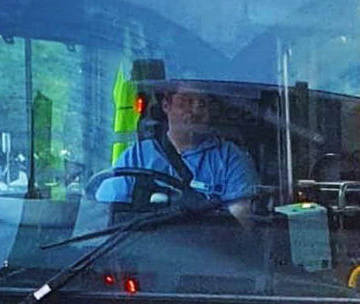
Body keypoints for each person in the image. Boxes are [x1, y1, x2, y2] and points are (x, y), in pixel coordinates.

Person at [111, 84, 258, 224]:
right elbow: (109, 212)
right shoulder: (137, 157)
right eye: (187, 101)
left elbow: (241, 221)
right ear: (166, 105)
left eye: (202, 104)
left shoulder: (230, 159)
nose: (195, 110)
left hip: (207, 248)